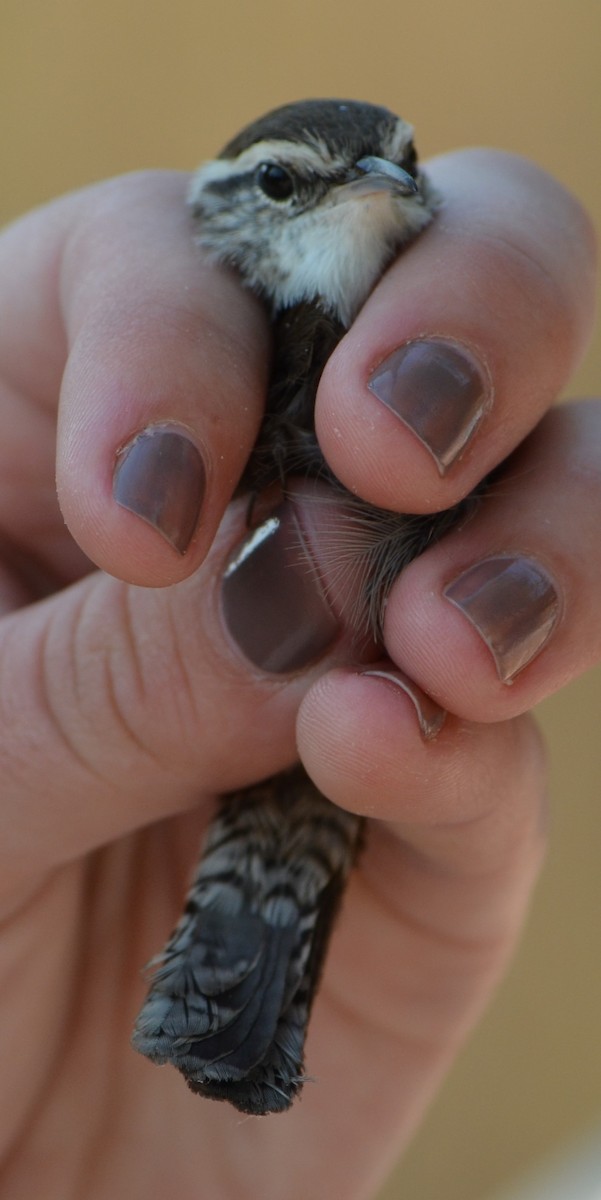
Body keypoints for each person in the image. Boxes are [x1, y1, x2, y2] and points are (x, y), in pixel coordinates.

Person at [0, 147, 596, 1199]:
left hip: (367, 713)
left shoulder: (401, 347)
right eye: (289, 182)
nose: (366, 182)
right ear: (230, 216)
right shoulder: (237, 334)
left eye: (395, 166)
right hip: (329, 723)